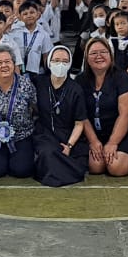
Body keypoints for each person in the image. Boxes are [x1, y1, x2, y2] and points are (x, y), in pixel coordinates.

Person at [78, 38, 128, 177]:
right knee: (95, 167)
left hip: (124, 131)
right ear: (86, 58)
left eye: (103, 52)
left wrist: (113, 142)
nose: (99, 56)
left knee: (116, 167)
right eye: (93, 53)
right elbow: (81, 115)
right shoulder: (80, 80)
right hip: (95, 133)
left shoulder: (122, 77)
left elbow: (127, 113)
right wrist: (93, 141)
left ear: (110, 55)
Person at [32, 45, 89, 187]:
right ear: (49, 62)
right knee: (48, 152)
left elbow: (79, 123)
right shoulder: (39, 83)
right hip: (45, 134)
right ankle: (59, 172)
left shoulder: (76, 89)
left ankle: (58, 170)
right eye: (56, 60)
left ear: (70, 64)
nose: (60, 65)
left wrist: (69, 145)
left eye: (65, 61)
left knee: (79, 161)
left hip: (69, 136)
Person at [0, 45, 37, 179]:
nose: (4, 66)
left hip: (21, 135)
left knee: (21, 171)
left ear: (13, 64)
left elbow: (35, 108)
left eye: (7, 62)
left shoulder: (26, 85)